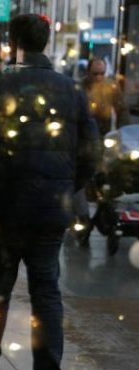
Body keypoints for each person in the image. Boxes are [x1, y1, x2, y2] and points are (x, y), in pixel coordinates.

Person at [0, 14, 101, 370]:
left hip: (5, 210)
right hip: (49, 215)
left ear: (14, 43)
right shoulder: (71, 91)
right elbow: (92, 153)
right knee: (47, 296)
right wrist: (63, 187)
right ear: (46, 42)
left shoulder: (0, 87)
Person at [72, 57, 131, 245]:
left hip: (103, 137)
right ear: (88, 72)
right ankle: (81, 218)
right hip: (82, 139)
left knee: (108, 176)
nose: (98, 77)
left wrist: (124, 134)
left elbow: (122, 112)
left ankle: (106, 213)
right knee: (80, 179)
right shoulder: (79, 88)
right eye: (95, 73)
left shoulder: (111, 88)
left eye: (101, 73)